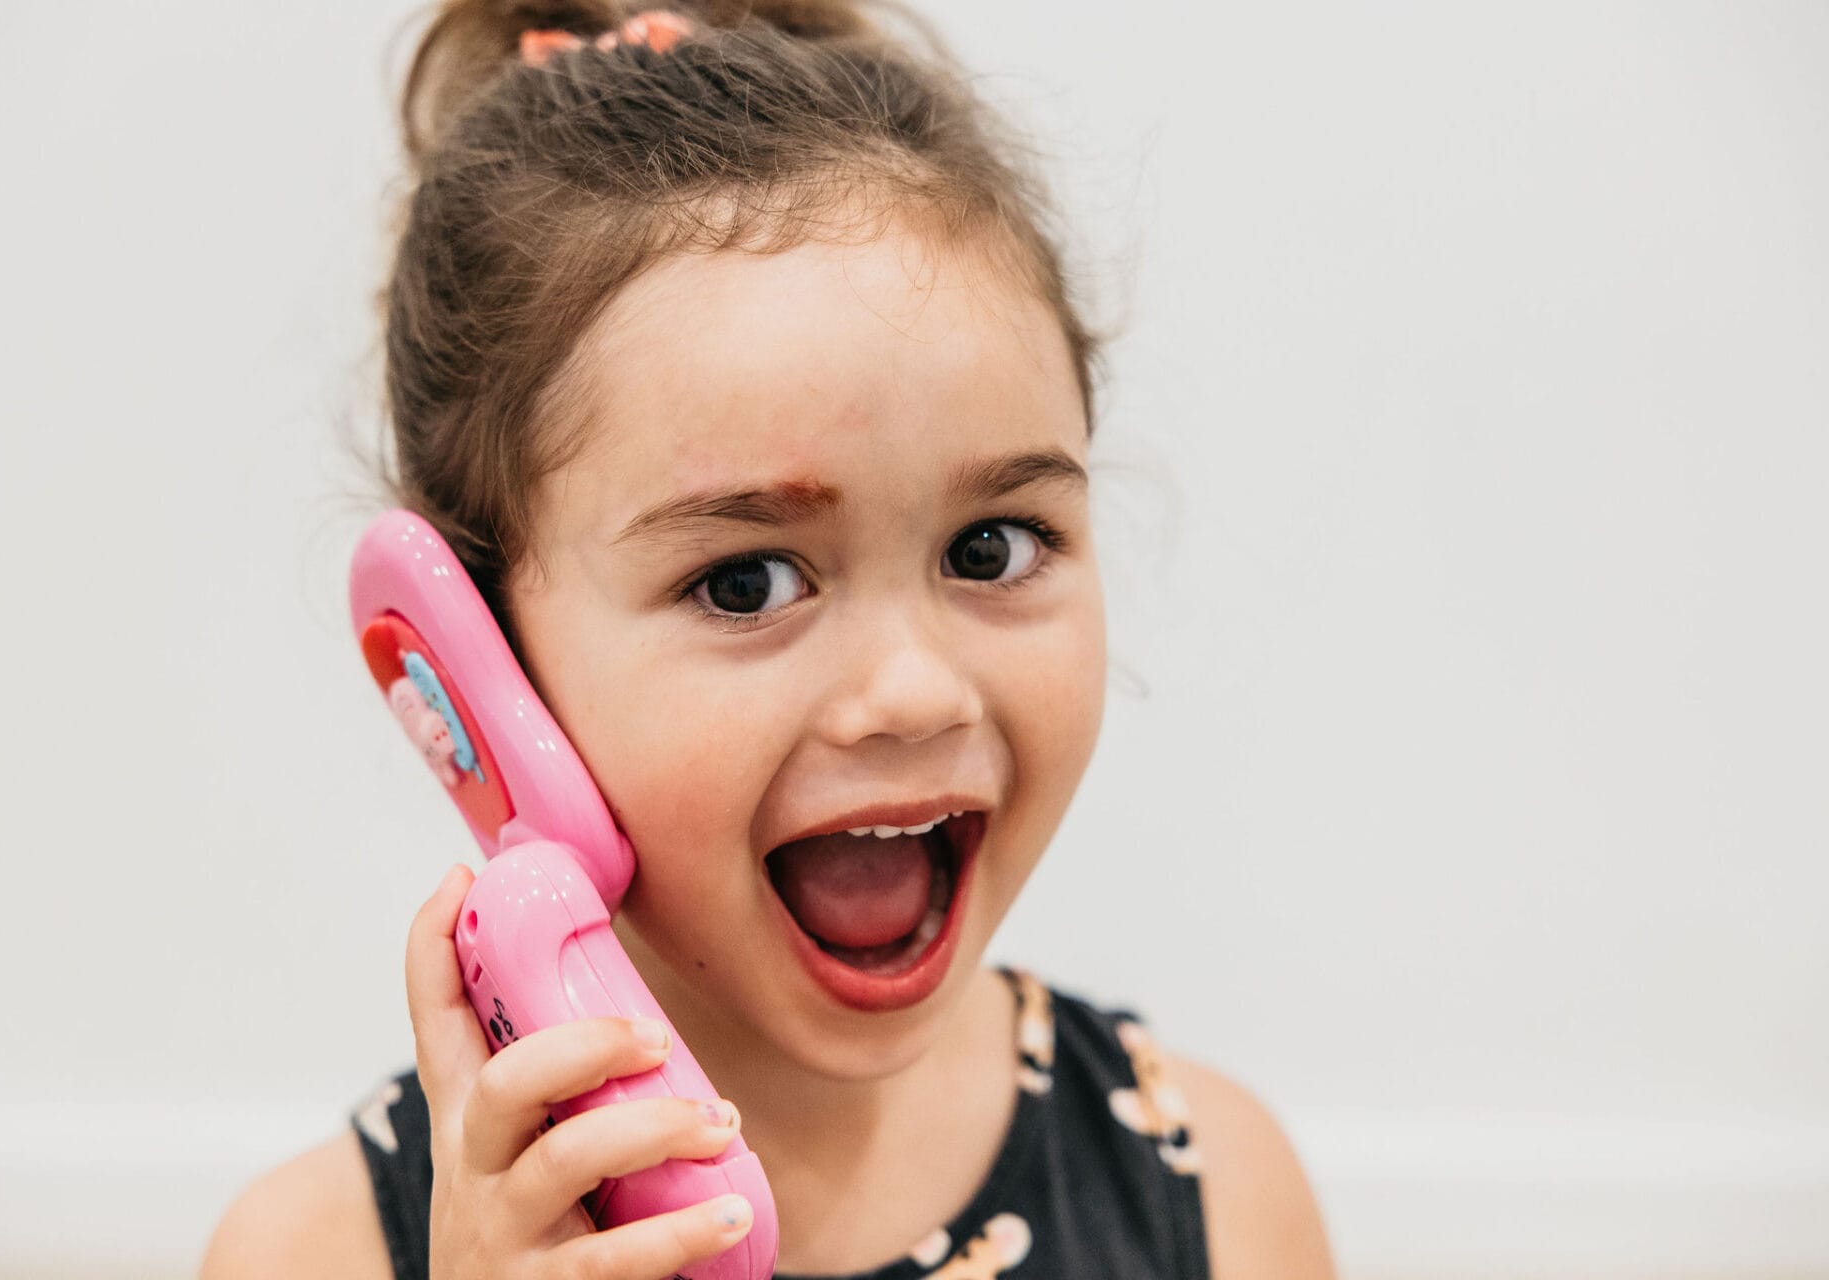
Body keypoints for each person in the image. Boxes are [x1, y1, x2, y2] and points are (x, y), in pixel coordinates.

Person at [202, 2, 1334, 1276]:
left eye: (991, 548)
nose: (913, 691)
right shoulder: (316, 1249)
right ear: (475, 654)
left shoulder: (1219, 1190)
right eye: (745, 581)